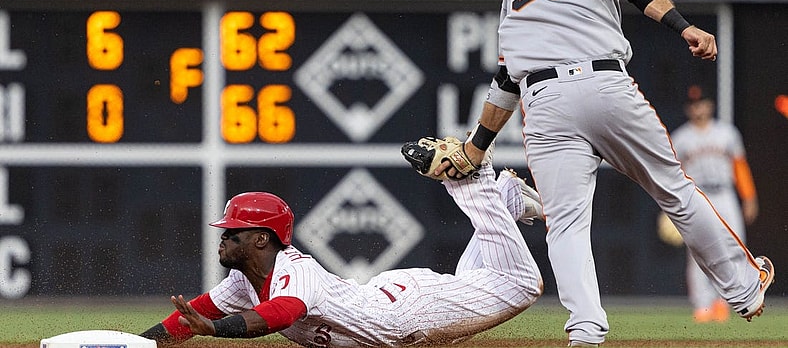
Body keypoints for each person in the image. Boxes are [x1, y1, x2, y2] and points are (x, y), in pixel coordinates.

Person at [429, 0, 775, 345]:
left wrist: (475, 149)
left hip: (543, 99)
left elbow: (505, 79)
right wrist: (682, 26)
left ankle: (586, 330)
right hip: (602, 82)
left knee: (565, 223)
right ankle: (744, 290)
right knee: (675, 189)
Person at [139, 147, 544, 346]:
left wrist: (214, 331)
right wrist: (140, 344)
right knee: (480, 278)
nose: (223, 237)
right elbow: (190, 318)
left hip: (412, 314)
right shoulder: (243, 280)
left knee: (520, 284)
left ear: (262, 238)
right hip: (389, 306)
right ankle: (503, 198)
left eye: (233, 231)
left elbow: (282, 314)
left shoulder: (293, 271)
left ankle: (475, 177)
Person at [671, 85, 760, 323]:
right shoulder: (680, 138)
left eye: (701, 103)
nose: (697, 108)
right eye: (693, 105)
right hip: (698, 197)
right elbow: (673, 175)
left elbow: (739, 167)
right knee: (698, 251)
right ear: (687, 108)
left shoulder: (727, 133)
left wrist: (749, 196)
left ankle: (725, 302)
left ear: (710, 105)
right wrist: (669, 207)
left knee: (736, 247)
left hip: (725, 194)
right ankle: (702, 306)